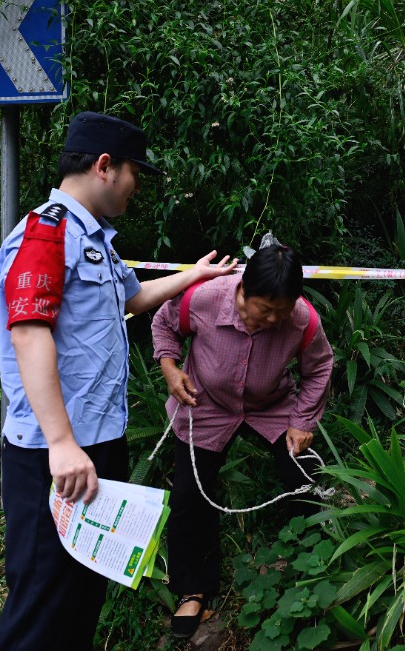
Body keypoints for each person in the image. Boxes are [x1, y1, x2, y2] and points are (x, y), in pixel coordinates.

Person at [0, 111, 236, 650]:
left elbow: (130, 299)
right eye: (134, 173)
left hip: (96, 447)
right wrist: (59, 443)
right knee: (39, 606)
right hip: (55, 457)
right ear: (104, 166)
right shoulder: (46, 233)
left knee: (79, 598)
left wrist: (193, 275)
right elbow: (30, 332)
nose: (136, 187)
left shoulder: (93, 238)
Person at [150, 243, 334, 639]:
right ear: (242, 291)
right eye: (262, 310)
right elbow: (164, 324)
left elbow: (319, 367)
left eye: (279, 313)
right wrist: (169, 366)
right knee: (188, 496)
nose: (271, 319)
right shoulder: (202, 298)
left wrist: (303, 421)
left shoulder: (301, 319)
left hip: (272, 404)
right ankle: (192, 589)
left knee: (306, 476)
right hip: (207, 402)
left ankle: (322, 559)